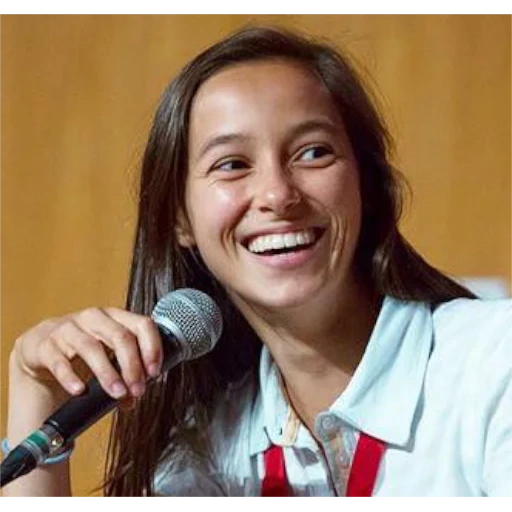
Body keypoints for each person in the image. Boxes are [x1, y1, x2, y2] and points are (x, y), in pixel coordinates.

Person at [2, 22, 512, 501]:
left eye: (313, 153)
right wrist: (38, 394)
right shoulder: (210, 448)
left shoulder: (492, 365)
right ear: (181, 219)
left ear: (367, 186)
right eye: (231, 165)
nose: (277, 193)